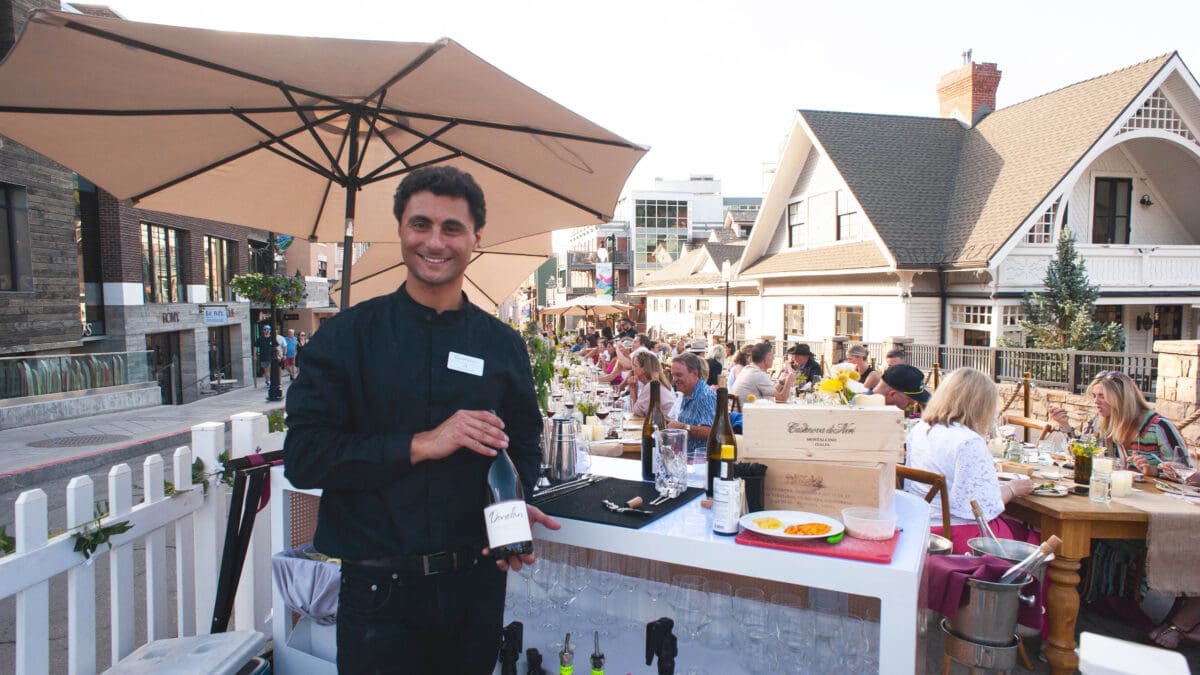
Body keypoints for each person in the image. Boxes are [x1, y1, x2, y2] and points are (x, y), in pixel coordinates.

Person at [283, 166, 560, 674]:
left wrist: (515, 506)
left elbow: (522, 443)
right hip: (377, 593)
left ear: (476, 237)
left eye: (452, 228)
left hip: (475, 587)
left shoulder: (502, 345)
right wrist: (422, 443)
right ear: (400, 231)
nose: (435, 241)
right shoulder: (346, 338)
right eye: (421, 225)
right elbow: (305, 458)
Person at [903, 367, 1034, 553]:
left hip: (921, 524)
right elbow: (977, 509)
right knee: (1035, 539)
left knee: (1018, 527)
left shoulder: (920, 429)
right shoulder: (968, 441)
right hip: (958, 534)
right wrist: (1012, 489)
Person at [1050, 371, 1193, 479]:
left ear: (1122, 399)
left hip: (1153, 501)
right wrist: (1065, 426)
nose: (1096, 402)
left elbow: (1186, 472)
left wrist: (1153, 471)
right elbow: (1082, 455)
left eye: (1103, 396)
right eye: (1095, 396)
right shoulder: (1099, 421)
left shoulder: (1158, 427)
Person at [666, 352, 717, 455]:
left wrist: (682, 427)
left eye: (679, 375)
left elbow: (711, 432)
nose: (675, 379)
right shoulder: (686, 393)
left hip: (700, 462)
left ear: (694, 373)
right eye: (673, 375)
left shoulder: (706, 396)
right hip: (684, 459)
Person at [628, 350, 674, 418]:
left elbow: (635, 412)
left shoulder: (652, 385)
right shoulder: (654, 383)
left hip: (664, 426)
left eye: (635, 366)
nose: (633, 369)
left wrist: (632, 389)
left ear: (644, 369)